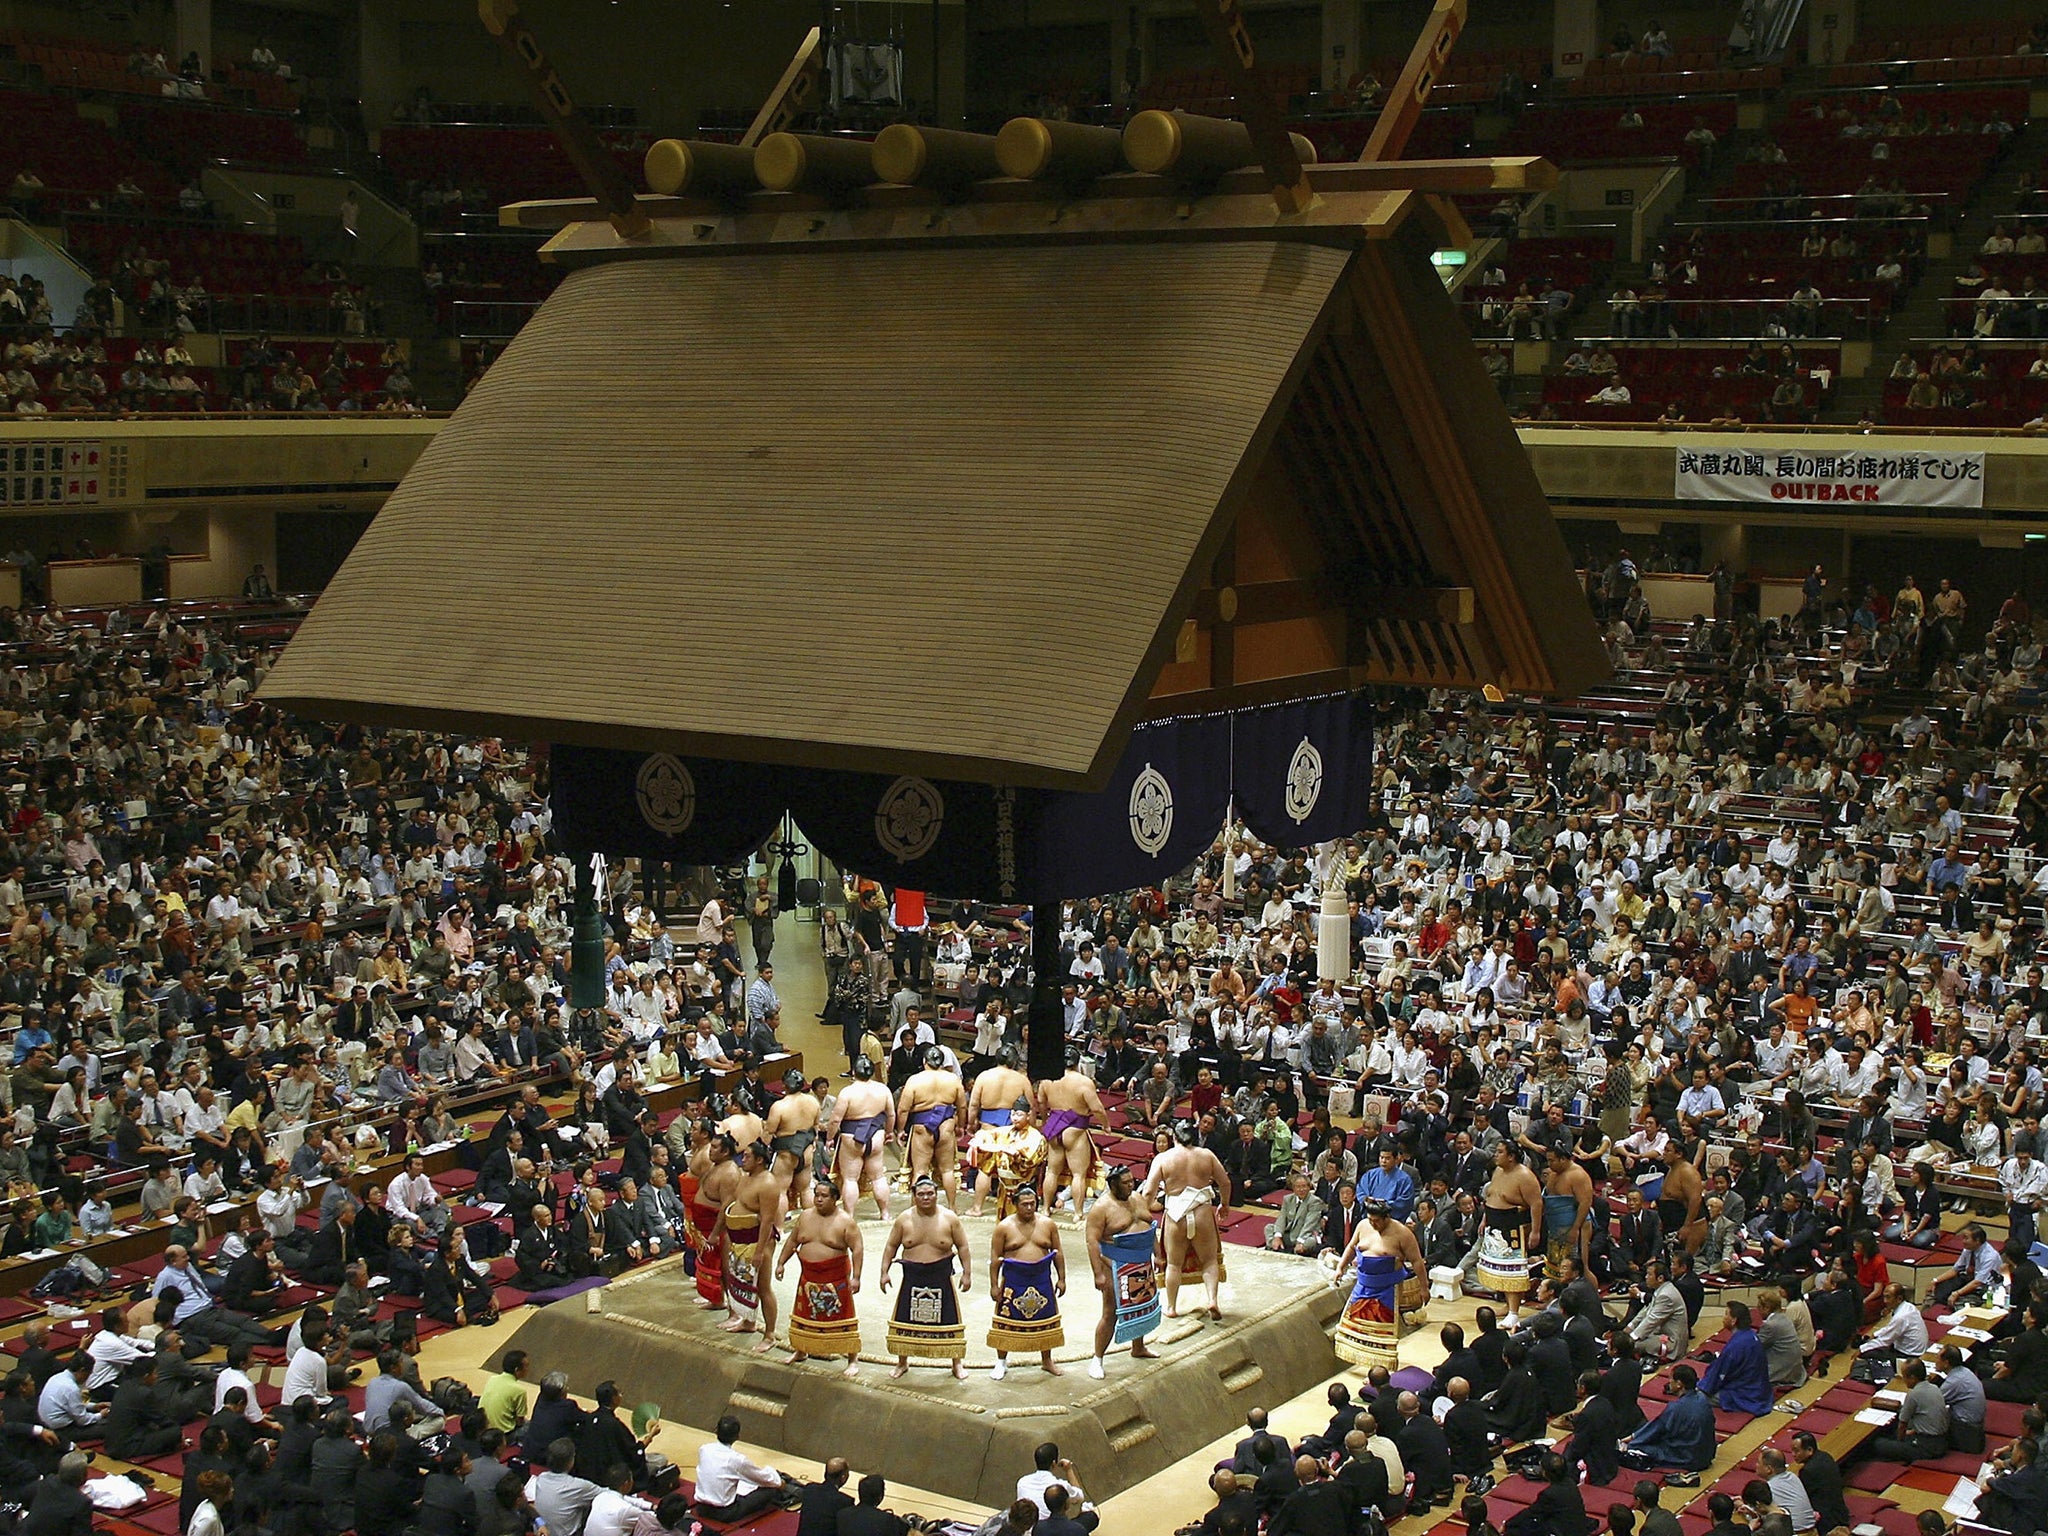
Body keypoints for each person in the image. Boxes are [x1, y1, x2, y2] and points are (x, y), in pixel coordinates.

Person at [880, 1173, 971, 1378]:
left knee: (949, 1319)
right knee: (905, 1320)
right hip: (912, 1275)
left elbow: (963, 1246)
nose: (926, 1197)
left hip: (941, 1274)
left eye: (930, 1193)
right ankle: (902, 1362)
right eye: (921, 1194)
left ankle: (956, 1363)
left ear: (936, 1194)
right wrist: (884, 1272)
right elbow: (891, 1246)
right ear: (914, 1195)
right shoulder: (904, 1219)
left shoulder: (949, 1218)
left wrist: (967, 1273)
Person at [775, 1178, 864, 1377]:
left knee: (844, 1317)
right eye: (817, 1195)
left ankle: (852, 1359)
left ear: (835, 1199)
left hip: (836, 1277)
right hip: (808, 1276)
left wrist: (856, 1277)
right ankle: (800, 1350)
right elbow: (793, 1241)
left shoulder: (845, 1221)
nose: (819, 1199)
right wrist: (781, 1262)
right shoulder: (805, 1216)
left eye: (824, 1196)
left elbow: (857, 1249)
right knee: (803, 1315)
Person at [1084, 1164, 1161, 1379]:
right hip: (1114, 1264)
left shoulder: (1137, 1198)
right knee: (1111, 1313)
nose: (1131, 1185)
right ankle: (1097, 1359)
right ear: (1113, 1185)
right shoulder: (1101, 1208)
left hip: (1142, 1262)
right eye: (1126, 1183)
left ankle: (1138, 1347)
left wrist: (1158, 1254)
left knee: (1141, 1306)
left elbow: (1150, 1227)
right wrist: (1098, 1273)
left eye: (1131, 1181)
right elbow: (1092, 1242)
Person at [1333, 1199, 1424, 1372]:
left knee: (1382, 1330)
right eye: (1370, 1220)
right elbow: (1352, 1247)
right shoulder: (1363, 1225)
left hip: (1388, 1289)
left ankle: (1381, 1369)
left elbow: (1417, 1261)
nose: (1372, 1224)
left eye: (1376, 1221)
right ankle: (1366, 1362)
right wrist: (1340, 1267)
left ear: (1386, 1218)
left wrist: (1424, 1287)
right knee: (1356, 1323)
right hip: (1363, 1284)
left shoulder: (1402, 1233)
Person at [989, 1182, 1066, 1380]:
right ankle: (1001, 1362)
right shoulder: (1004, 1227)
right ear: (1015, 1204)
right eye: (1025, 1204)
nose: (1029, 1207)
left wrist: (1062, 1278)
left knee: (1046, 1321)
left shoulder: (1047, 1224)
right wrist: (994, 1285)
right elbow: (996, 1258)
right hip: (1013, 1280)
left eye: (1032, 1203)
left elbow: (1057, 1253)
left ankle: (1047, 1360)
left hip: (1042, 1277)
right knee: (1005, 1322)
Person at [1624, 1364, 1712, 1479]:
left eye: (1671, 1379)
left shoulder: (1676, 1408)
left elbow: (1656, 1429)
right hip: (1706, 1455)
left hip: (1688, 1457)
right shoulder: (1703, 1399)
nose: (1669, 1382)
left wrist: (1633, 1438)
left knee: (1636, 1447)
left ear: (1679, 1384)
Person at [693, 1415, 786, 1525]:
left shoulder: (704, 1449)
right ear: (737, 1436)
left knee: (741, 1482)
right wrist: (779, 1483)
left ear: (716, 1431)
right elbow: (763, 1479)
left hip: (701, 1508)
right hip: (725, 1513)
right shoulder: (737, 1460)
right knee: (770, 1490)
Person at [1699, 1301, 1773, 1415]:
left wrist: (1701, 1387)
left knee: (1696, 1397)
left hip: (1744, 1394)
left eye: (1726, 1314)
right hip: (1759, 1389)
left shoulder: (1736, 1346)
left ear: (1734, 1320)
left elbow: (1719, 1375)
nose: (1724, 1318)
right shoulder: (1751, 1335)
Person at [1870, 1357, 1950, 1462]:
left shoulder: (1913, 1394)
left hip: (1926, 1447)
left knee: (1878, 1443)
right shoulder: (1935, 1388)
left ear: (1912, 1378)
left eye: (1904, 1377)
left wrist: (1900, 1443)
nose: (1903, 1380)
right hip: (1942, 1442)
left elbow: (1902, 1425)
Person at [1506, 1451, 1592, 1536]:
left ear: (1545, 1472)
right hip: (1580, 1529)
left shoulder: (1549, 1494)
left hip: (1563, 1532)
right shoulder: (1570, 1482)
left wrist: (1508, 1524)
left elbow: (1531, 1512)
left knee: (1519, 1529)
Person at [1016, 1443, 1096, 1533]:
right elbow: (1079, 1497)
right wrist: (1069, 1470)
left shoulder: (1022, 1482)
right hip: (1052, 1528)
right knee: (1091, 1516)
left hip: (1029, 1530)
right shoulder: (1060, 1486)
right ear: (1054, 1463)